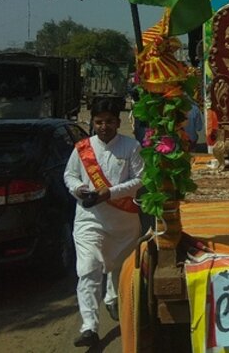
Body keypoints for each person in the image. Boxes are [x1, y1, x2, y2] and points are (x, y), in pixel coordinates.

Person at [64, 98, 143, 348]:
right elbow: (70, 175)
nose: (104, 126)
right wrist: (79, 189)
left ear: (118, 122)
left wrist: (110, 193)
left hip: (124, 222)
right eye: (99, 122)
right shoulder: (82, 148)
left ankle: (112, 298)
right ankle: (89, 327)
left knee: (119, 267)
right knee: (88, 269)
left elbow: (140, 180)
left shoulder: (131, 146)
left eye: (109, 121)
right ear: (93, 123)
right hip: (90, 220)